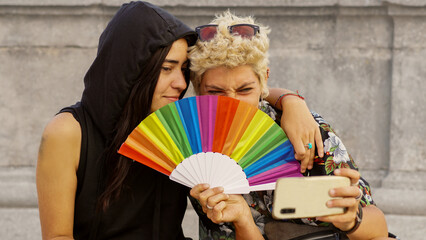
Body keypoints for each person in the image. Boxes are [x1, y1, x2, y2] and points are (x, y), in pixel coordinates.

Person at [36, 2, 321, 240]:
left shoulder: (180, 125)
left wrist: (291, 102)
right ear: (132, 67)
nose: (180, 82)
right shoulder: (68, 132)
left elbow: (240, 89)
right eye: (167, 68)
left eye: (184, 69)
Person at [188, 11, 390, 240]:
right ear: (198, 90)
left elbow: (380, 230)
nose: (233, 104)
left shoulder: (304, 131)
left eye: (245, 90)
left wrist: (353, 220)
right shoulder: (190, 147)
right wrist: (244, 221)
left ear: (264, 81)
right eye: (216, 92)